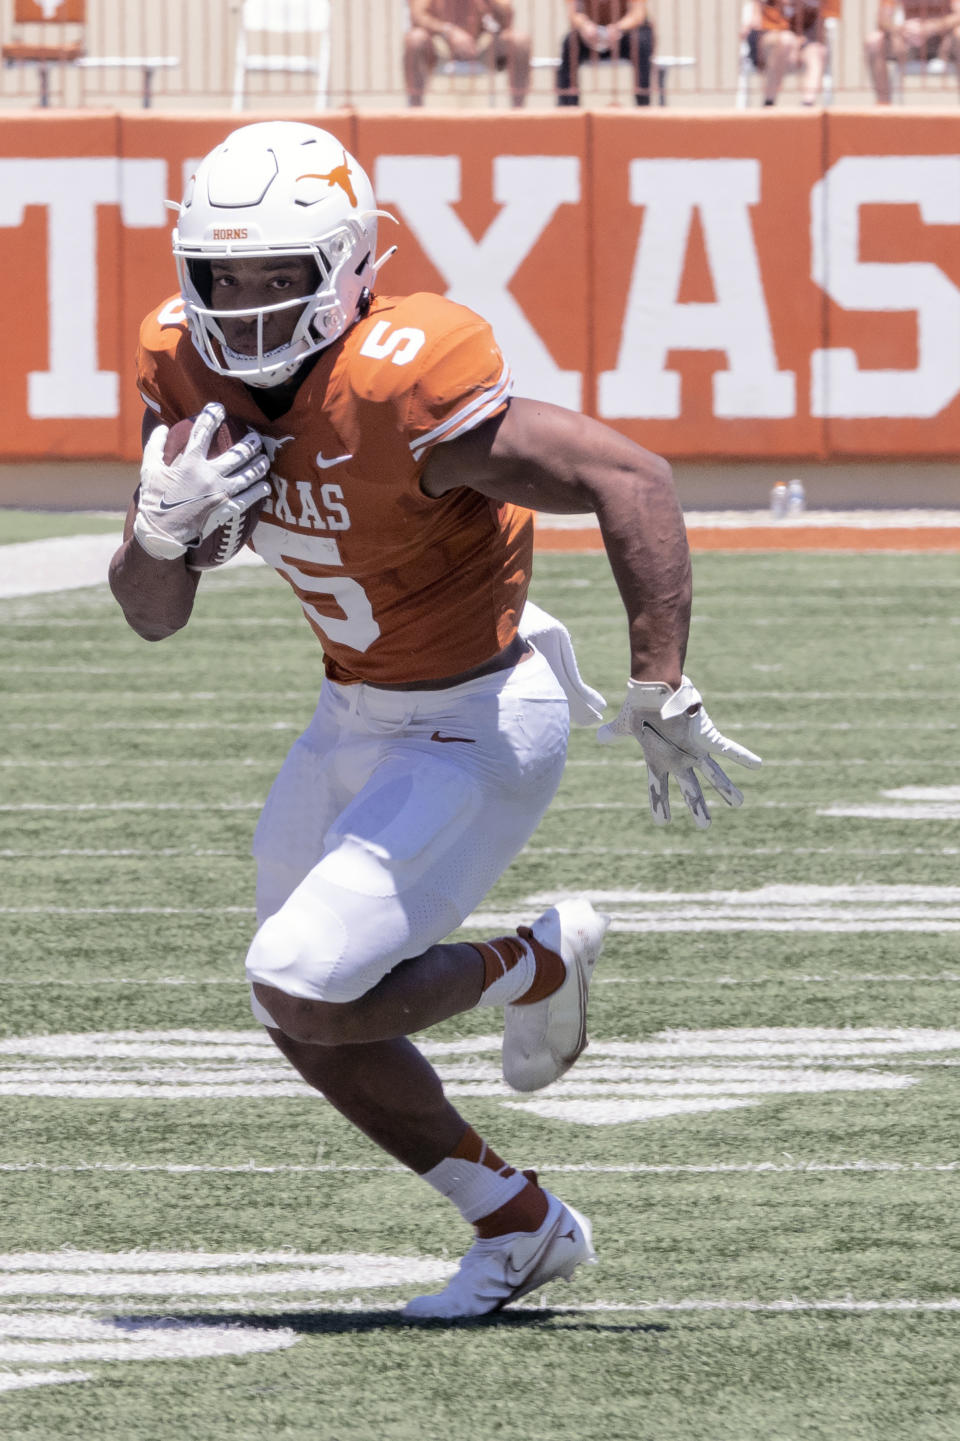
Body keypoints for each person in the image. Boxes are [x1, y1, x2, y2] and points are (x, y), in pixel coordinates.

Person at [108, 121, 761, 1320]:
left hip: (477, 715)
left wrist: (661, 676)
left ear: (352, 267)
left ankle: (535, 957)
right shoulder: (180, 368)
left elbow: (633, 476)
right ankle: (518, 1225)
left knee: (301, 982)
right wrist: (159, 531)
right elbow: (154, 615)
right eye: (223, 276)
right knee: (297, 1007)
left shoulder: (408, 374)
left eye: (277, 276)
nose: (245, 307)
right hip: (349, 711)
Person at [404, 0, 531, 107]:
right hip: (438, 46)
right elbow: (417, 16)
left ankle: (518, 113)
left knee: (520, 40)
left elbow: (507, 19)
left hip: (481, 45)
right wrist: (448, 31)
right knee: (415, 39)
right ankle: (415, 113)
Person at [555, 0, 655, 106]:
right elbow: (573, 13)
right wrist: (585, 26)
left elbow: (637, 14)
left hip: (627, 33)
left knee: (640, 44)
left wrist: (619, 28)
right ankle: (568, 108)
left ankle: (643, 106)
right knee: (570, 43)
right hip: (592, 35)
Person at [744, 0, 839, 105]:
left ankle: (807, 105)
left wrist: (799, 41)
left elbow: (820, 28)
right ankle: (768, 103)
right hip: (769, 43)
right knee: (786, 41)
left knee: (818, 52)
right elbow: (756, 24)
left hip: (802, 43)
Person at [864, 0, 960, 102]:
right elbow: (882, 20)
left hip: (944, 43)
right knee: (874, 41)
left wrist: (933, 27)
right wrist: (902, 29)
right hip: (909, 44)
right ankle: (883, 108)